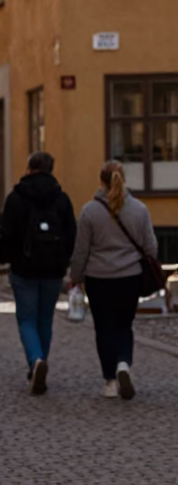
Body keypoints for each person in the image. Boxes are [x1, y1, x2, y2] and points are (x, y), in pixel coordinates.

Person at [70, 159, 158, 400]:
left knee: (104, 328)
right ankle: (123, 364)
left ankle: (110, 380)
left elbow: (82, 250)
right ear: (123, 179)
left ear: (101, 181)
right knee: (123, 326)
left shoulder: (89, 211)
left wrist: (75, 277)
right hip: (129, 278)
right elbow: (151, 247)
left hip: (98, 278)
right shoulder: (139, 209)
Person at [0, 151, 76, 395]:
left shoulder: (16, 197)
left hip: (24, 268)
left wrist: (8, 259)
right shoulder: (61, 198)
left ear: (29, 168)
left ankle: (36, 360)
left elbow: (5, 233)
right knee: (45, 318)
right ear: (51, 169)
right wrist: (64, 260)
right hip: (53, 268)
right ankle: (39, 360)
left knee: (26, 319)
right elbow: (71, 233)